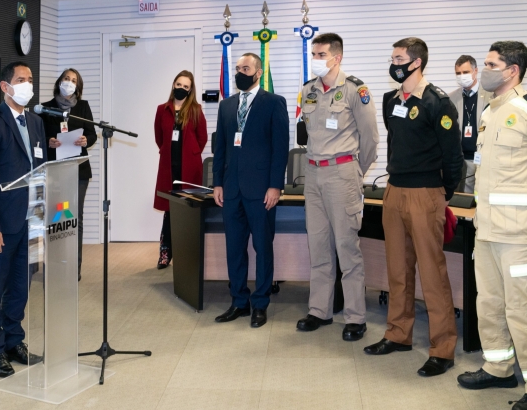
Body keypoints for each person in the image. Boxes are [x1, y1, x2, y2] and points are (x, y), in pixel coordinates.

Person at [363, 38, 463, 378]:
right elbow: (396, 140)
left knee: (433, 274)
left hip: (426, 194)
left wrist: (443, 194)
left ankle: (443, 348)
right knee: (398, 270)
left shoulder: (437, 102)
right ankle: (398, 334)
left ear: (416, 62)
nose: (393, 63)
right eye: (392, 57)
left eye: (399, 58)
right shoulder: (392, 99)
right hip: (394, 192)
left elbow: (452, 157)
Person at [456, 41, 527, 410]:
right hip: (487, 229)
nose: (483, 70)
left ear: (512, 70)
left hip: (519, 233)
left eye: (490, 64)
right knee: (491, 303)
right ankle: (499, 369)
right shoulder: (491, 110)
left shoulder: (523, 109)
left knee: (522, 308)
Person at [295, 33, 379, 341]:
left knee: (347, 248)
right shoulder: (308, 91)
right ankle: (320, 310)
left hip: (342, 173)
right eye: (313, 54)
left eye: (321, 54)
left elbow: (370, 139)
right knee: (318, 247)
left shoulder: (356, 90)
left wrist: (356, 172)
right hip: (313, 175)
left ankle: (355, 316)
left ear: (336, 57)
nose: (315, 59)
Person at [0, 61, 46, 377]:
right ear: (5, 86)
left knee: (20, 287)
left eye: (30, 79)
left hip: (31, 220)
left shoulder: (36, 122)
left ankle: (14, 341)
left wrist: (42, 218)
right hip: (1, 226)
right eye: (21, 79)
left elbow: (41, 168)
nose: (27, 84)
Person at [212, 53, 289, 328]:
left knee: (262, 248)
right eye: (237, 68)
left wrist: (275, 186)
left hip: (261, 190)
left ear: (258, 73)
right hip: (231, 189)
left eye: (245, 68)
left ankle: (260, 303)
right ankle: (239, 301)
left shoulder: (274, 102)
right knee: (234, 248)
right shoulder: (226, 105)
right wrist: (217, 182)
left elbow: (280, 148)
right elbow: (219, 147)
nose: (240, 72)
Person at [39, 68, 97, 281]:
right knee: (56, 219)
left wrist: (86, 141)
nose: (69, 82)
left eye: (74, 80)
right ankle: (54, 267)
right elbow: (38, 136)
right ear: (59, 81)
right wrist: (48, 141)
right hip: (54, 171)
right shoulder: (44, 108)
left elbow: (91, 134)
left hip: (78, 170)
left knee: (74, 218)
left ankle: (74, 269)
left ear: (78, 86)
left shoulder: (83, 107)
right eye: (66, 78)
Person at [153, 70, 208, 269]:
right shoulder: (162, 109)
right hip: (169, 168)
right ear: (173, 85)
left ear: (190, 90)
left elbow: (202, 138)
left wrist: (192, 154)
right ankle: (165, 254)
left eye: (186, 86)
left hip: (189, 169)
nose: (181, 89)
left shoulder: (195, 109)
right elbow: (159, 137)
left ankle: (188, 254)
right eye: (179, 84)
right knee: (169, 211)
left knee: (188, 211)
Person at [448, 55, 488, 193]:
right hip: (461, 160)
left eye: (465, 72)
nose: (461, 76)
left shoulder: (491, 96)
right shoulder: (450, 98)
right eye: (458, 73)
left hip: (483, 158)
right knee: (462, 199)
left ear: (475, 71)